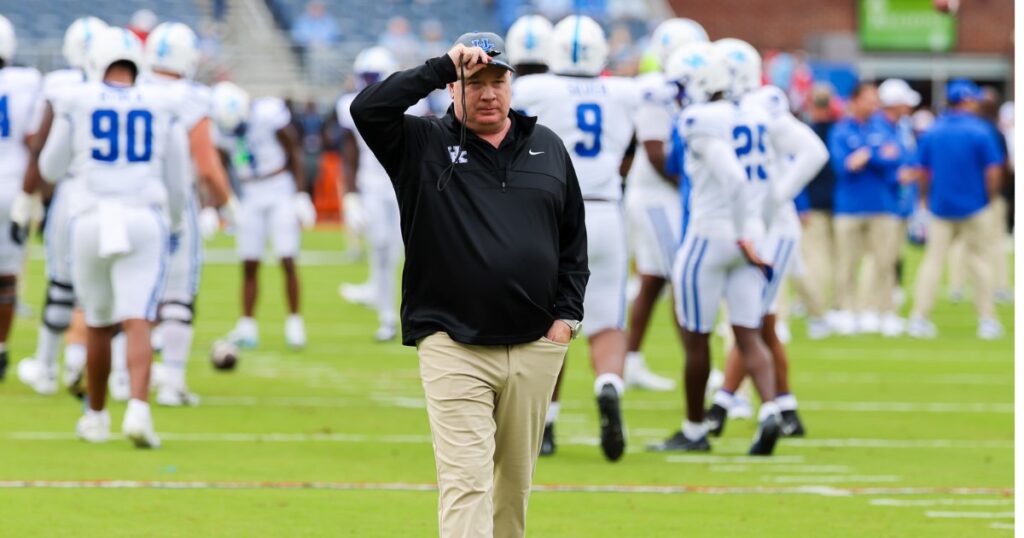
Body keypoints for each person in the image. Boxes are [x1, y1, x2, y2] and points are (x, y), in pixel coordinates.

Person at [350, 33, 587, 538]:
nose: (488, 93)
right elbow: (368, 109)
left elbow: (573, 242)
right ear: (454, 90)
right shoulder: (421, 143)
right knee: (466, 482)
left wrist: (565, 321)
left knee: (512, 491)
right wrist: (441, 65)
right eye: (474, 82)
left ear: (511, 85)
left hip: (533, 345)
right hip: (453, 343)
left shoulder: (548, 147)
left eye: (497, 81)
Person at [39, 27, 190, 447]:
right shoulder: (163, 101)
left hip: (90, 216)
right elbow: (178, 178)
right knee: (138, 314)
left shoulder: (78, 99)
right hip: (143, 215)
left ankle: (96, 416)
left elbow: (51, 168)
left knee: (98, 321)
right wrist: (176, 220)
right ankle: (139, 410)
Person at [513, 14, 636, 462]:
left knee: (549, 320)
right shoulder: (626, 91)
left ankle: (545, 422)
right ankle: (609, 384)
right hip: (605, 209)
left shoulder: (534, 89)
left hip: (553, 212)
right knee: (607, 320)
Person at [647, 42, 779, 455]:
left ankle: (694, 429)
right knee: (748, 333)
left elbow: (734, 178)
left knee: (696, 338)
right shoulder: (756, 114)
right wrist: (754, 229)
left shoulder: (699, 118)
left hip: (710, 235)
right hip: (747, 239)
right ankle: (771, 410)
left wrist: (741, 228)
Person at [703, 38, 828, 440]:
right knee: (762, 322)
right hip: (757, 225)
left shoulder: (756, 106)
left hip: (766, 227)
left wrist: (776, 197)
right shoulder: (758, 105)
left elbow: (814, 152)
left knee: (751, 320)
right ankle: (784, 407)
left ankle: (726, 403)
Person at [142, 22, 237, 406]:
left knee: (134, 293)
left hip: (134, 198)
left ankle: (121, 375)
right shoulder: (192, 96)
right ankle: (172, 382)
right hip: (176, 203)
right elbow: (206, 162)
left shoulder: (134, 85)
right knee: (178, 295)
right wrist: (227, 201)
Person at [14, 17, 106, 397]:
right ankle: (92, 367)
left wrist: (29, 194)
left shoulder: (60, 86)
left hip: (71, 190)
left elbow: (41, 145)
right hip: (114, 192)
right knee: (104, 287)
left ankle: (49, 368)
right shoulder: (131, 88)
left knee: (62, 281)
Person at [621, 17, 707, 396]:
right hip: (657, 197)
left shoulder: (681, 90)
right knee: (681, 279)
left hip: (662, 197)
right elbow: (657, 154)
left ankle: (630, 360)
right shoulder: (658, 90)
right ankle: (701, 362)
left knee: (653, 282)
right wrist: (695, 183)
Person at [213, 82, 315, 350]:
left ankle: (295, 322)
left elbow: (294, 151)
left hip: (279, 187)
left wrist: (301, 194)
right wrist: (218, 203)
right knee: (248, 261)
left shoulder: (268, 113)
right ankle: (247, 325)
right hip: (248, 192)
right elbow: (219, 166)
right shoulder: (220, 127)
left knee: (287, 257)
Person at [337, 47, 428, 342]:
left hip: (405, 182)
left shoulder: (413, 105)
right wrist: (350, 196)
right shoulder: (351, 106)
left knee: (412, 251)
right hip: (373, 185)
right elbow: (349, 154)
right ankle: (387, 317)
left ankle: (413, 312)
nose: (367, 82)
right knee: (380, 248)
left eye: (373, 77)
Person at [907, 79, 1005, 340]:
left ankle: (919, 317)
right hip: (976, 206)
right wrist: (988, 198)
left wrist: (925, 200)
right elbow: (993, 170)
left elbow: (923, 172)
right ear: (968, 101)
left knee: (933, 262)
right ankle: (987, 320)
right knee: (980, 262)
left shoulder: (933, 130)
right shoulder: (980, 130)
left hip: (941, 206)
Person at [827, 82, 904, 336]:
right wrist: (872, 154)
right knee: (847, 263)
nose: (873, 105)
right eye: (869, 99)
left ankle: (882, 310)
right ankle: (848, 311)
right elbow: (842, 164)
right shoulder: (841, 129)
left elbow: (894, 157)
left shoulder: (884, 126)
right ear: (855, 101)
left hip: (881, 206)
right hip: (849, 207)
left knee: (884, 261)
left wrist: (867, 155)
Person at [0, 16, 41, 382]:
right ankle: (0, 348)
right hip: (11, 188)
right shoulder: (26, 83)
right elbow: (33, 141)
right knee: (7, 277)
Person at [799, 84, 839, 339]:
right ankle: (828, 306)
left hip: (815, 203)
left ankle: (820, 307)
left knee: (816, 259)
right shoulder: (837, 131)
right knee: (829, 260)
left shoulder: (806, 132)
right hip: (834, 203)